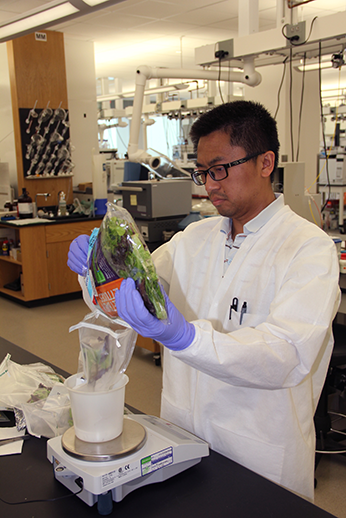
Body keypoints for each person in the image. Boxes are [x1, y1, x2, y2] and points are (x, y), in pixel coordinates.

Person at [68, 100, 340, 501]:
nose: (209, 184)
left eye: (219, 170)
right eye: (202, 172)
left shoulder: (308, 249)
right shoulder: (194, 238)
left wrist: (184, 338)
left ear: (266, 163)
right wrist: (96, 269)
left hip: (258, 454)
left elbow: (286, 354)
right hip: (182, 435)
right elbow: (122, 298)